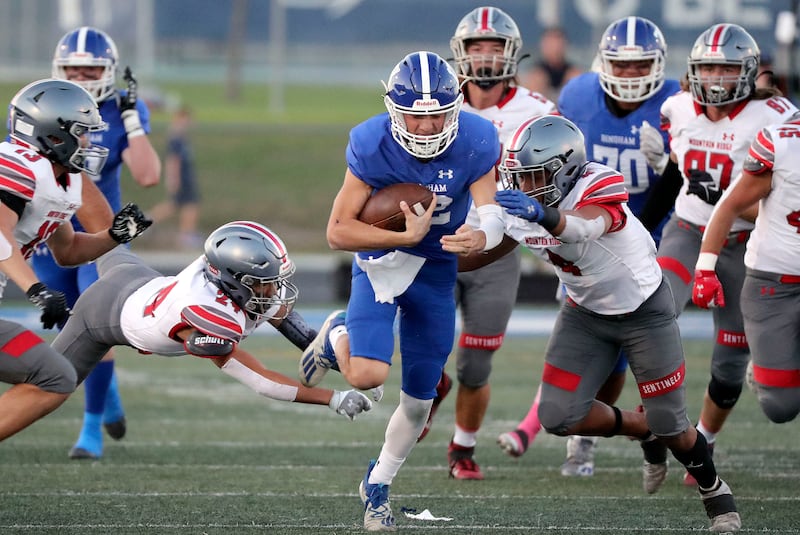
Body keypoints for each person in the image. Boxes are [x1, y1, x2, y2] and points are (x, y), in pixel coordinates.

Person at [478, 114, 740, 532]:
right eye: (519, 176)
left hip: (644, 312)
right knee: (557, 415)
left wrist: (542, 215)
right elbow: (490, 243)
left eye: (534, 175)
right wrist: (448, 250)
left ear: (565, 170)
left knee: (672, 424)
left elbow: (582, 228)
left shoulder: (598, 183)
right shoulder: (522, 202)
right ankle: (642, 428)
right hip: (585, 314)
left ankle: (713, 487)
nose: (523, 186)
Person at [297, 51, 505, 531]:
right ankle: (337, 334)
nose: (428, 127)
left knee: (419, 399)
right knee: (367, 376)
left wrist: (483, 236)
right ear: (394, 110)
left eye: (438, 115)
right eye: (416, 115)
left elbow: (491, 213)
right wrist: (403, 237)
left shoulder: (476, 138)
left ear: (455, 108)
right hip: (380, 265)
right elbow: (337, 232)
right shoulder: (372, 142)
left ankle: (379, 485)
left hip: (435, 271)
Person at [497, 16, 680, 477]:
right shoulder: (579, 95)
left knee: (640, 338)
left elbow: (697, 176)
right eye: (622, 64)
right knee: (600, 346)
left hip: (650, 233)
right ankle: (589, 434)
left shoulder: (676, 102)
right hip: (577, 232)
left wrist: (672, 168)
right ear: (604, 62)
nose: (631, 74)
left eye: (641, 66)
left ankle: (672, 431)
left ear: (658, 65)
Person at [636, 23, 798, 486]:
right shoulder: (678, 107)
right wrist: (643, 226)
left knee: (730, 359)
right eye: (707, 68)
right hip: (688, 230)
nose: (715, 78)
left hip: (746, 244)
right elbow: (676, 173)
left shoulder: (775, 118)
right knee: (653, 310)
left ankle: (703, 440)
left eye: (726, 69)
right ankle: (654, 417)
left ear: (747, 72)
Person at [42, 221, 372, 441]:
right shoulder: (206, 310)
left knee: (102, 231)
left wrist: (354, 366)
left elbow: (303, 336)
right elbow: (261, 380)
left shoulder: (236, 283)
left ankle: (63, 197)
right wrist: (333, 399)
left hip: (138, 277)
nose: (274, 291)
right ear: (233, 280)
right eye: (265, 283)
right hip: (103, 312)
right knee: (43, 388)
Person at [412, 6, 557, 481]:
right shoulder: (435, 103)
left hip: (498, 251)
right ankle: (434, 385)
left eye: (496, 48)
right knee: (423, 353)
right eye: (478, 48)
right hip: (437, 246)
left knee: (476, 365)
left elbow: (561, 173)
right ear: (461, 53)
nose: (487, 57)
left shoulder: (538, 111)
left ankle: (462, 448)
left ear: (512, 54)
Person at [0, 78, 151, 442]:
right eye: (81, 132)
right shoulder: (18, 164)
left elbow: (67, 250)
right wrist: (36, 289)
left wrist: (113, 235)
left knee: (56, 376)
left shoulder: (58, 181)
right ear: (52, 134)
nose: (87, 141)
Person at [40, 26, 162, 460]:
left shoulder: (121, 108)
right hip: (50, 229)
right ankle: (107, 397)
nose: (81, 76)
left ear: (108, 70)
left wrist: (132, 120)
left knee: (95, 325)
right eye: (73, 68)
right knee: (64, 324)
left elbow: (148, 176)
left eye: (90, 68)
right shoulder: (44, 103)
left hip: (101, 233)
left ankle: (90, 427)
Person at [692, 116, 800, 423]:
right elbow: (731, 205)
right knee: (781, 407)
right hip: (773, 284)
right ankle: (776, 360)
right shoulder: (784, 143)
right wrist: (705, 269)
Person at [148, 105, 202, 249]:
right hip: (181, 178)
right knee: (187, 204)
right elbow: (173, 160)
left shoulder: (182, 137)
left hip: (186, 176)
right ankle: (186, 235)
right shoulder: (175, 138)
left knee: (181, 204)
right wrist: (173, 179)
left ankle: (148, 221)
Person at [522, 27, 582, 102]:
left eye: (558, 44)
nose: (555, 49)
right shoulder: (536, 74)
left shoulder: (573, 73)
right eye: (551, 45)